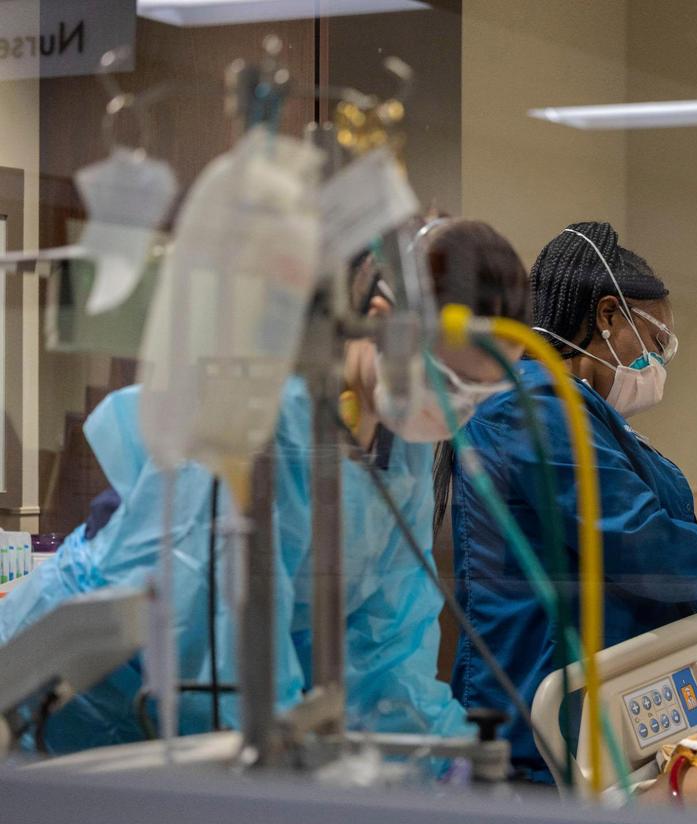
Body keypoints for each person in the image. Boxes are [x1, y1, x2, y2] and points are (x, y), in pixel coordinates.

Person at [0, 218, 529, 755]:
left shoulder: (403, 452)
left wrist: (451, 767)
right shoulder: (257, 418)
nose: (456, 410)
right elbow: (214, 651)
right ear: (382, 321)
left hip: (193, 720)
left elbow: (386, 651)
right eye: (452, 382)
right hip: (73, 693)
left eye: (480, 396)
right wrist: (290, 770)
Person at [448, 221, 697, 781]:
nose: (658, 362)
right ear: (609, 316)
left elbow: (660, 541)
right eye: (654, 341)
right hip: (540, 723)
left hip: (602, 699)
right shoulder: (528, 411)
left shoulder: (587, 417)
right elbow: (644, 547)